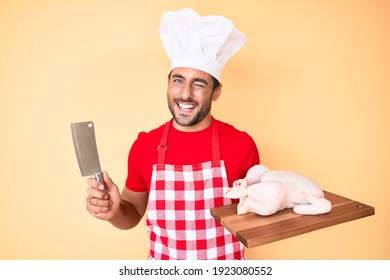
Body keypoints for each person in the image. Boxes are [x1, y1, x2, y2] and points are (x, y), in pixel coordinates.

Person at [86, 8, 260, 260]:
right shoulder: (145, 145)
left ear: (216, 92)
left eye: (199, 84)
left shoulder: (241, 145)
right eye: (178, 80)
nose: (185, 94)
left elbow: (260, 214)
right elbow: (132, 213)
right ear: (168, 83)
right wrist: (114, 212)